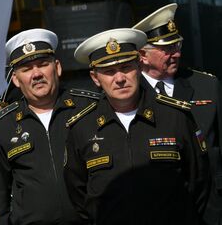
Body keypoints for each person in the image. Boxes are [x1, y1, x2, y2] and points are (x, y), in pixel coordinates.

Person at [65, 28, 210, 225]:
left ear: (139, 66)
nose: (119, 78)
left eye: (126, 67)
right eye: (109, 71)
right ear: (95, 78)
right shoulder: (81, 128)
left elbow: (198, 182)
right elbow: (78, 195)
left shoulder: (175, 117)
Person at [0, 28, 98, 225]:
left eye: (43, 65)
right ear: (16, 80)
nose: (36, 74)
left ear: (58, 68)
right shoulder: (4, 124)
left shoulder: (90, 108)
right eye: (27, 69)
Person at [133, 3, 222, 224]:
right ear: (143, 55)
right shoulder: (128, 94)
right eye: (167, 49)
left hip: (210, 209)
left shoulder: (206, 86)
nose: (177, 54)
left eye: (178, 45)